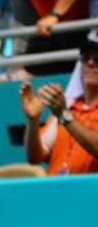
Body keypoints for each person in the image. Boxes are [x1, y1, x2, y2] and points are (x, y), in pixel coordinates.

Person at [20, 38, 98, 174]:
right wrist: (33, 121)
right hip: (56, 186)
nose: (90, 63)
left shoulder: (63, 111)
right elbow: (34, 157)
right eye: (85, 58)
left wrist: (64, 115)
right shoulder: (68, 106)